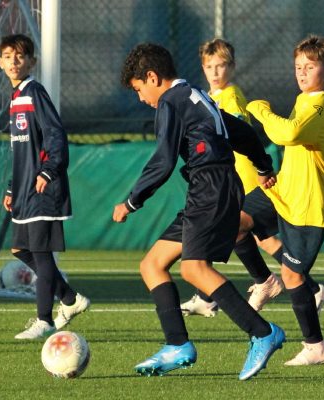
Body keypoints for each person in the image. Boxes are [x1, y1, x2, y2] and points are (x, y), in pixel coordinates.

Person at [113, 42, 285, 380]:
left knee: (194, 269)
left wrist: (131, 201)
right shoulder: (196, 97)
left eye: (138, 89)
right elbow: (242, 132)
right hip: (211, 187)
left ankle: (263, 332)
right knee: (152, 264)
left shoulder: (170, 103)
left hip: (212, 187)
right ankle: (177, 345)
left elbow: (162, 161)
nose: (140, 98)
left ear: (152, 76)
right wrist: (263, 165)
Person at [242, 35, 324, 365]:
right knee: (232, 220)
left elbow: (287, 134)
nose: (302, 73)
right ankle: (264, 282)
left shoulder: (320, 104)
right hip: (282, 191)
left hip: (306, 204)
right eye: (298, 67)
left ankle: (316, 346)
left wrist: (261, 109)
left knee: (293, 277)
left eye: (310, 66)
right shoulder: (308, 101)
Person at [181, 38, 284, 317]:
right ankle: (207, 295)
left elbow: (235, 132)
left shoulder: (231, 95)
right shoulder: (209, 96)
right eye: (209, 66)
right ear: (202, 68)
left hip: (244, 174)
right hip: (229, 174)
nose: (215, 72)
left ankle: (304, 287)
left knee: (231, 229)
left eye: (222, 65)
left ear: (233, 67)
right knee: (254, 236)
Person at [0, 34, 89, 340]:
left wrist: (49, 171)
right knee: (20, 249)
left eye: (20, 56)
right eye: (8, 56)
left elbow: (55, 135)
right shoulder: (15, 98)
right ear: (0, 62)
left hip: (42, 188)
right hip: (24, 189)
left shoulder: (34, 91)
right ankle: (69, 298)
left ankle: (44, 319)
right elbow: (20, 151)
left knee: (40, 251)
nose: (14, 61)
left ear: (32, 62)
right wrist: (12, 188)